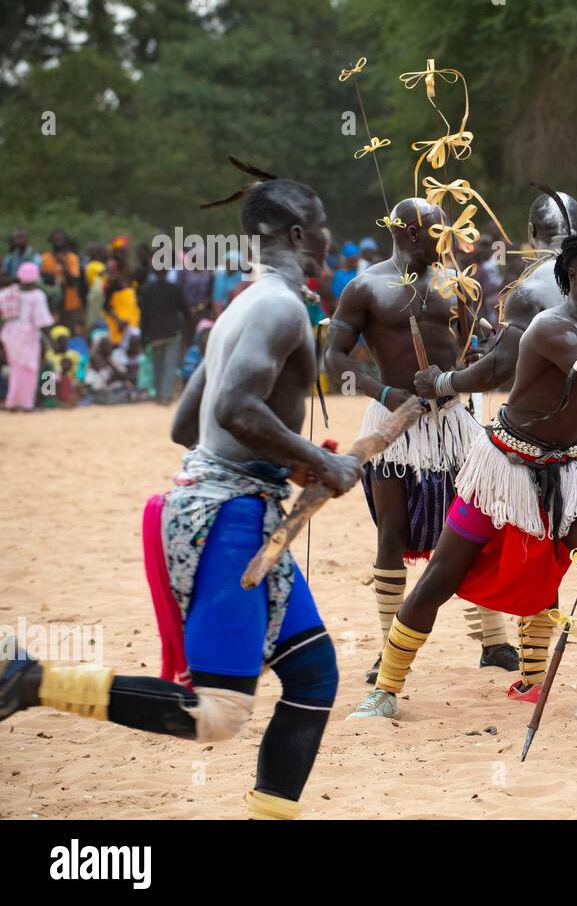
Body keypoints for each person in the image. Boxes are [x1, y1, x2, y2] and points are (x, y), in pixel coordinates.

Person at [0, 170, 362, 818]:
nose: (330, 237)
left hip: (230, 503)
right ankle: (32, 681)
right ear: (302, 234)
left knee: (313, 677)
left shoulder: (242, 306)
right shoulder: (279, 305)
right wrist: (316, 462)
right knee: (217, 714)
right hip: (227, 517)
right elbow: (232, 406)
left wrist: (291, 463)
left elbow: (184, 424)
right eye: (325, 226)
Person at [349, 228, 577, 724]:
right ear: (573, 277)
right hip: (504, 471)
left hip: (570, 471)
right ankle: (385, 689)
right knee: (439, 578)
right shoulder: (550, 328)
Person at [324, 197, 518, 681]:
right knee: (391, 534)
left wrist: (482, 345)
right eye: (438, 233)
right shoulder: (365, 287)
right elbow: (335, 359)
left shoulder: (456, 282)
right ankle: (390, 649)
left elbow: (477, 342)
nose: (446, 241)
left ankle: (494, 642)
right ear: (410, 233)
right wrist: (383, 391)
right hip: (394, 425)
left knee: (476, 526)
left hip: (455, 421)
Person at [0, 262, 55, 411]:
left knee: (16, 369)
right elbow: (42, 321)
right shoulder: (37, 296)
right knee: (30, 370)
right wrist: (49, 340)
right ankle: (26, 404)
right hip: (28, 336)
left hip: (9, 334)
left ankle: (12, 402)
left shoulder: (10, 292)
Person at [139, 267, 190, 405]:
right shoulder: (175, 289)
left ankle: (159, 395)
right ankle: (166, 397)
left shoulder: (146, 291)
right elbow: (186, 312)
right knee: (170, 366)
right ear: (167, 271)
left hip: (155, 334)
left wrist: (143, 338)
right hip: (172, 333)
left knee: (157, 365)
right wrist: (188, 332)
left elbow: (144, 317)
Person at [41, 229, 83, 330]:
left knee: (68, 333)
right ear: (51, 241)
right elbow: (43, 278)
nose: (58, 242)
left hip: (69, 303)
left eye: (61, 240)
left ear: (66, 241)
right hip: (49, 304)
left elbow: (73, 281)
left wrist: (63, 265)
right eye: (55, 240)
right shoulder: (45, 258)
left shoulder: (72, 258)